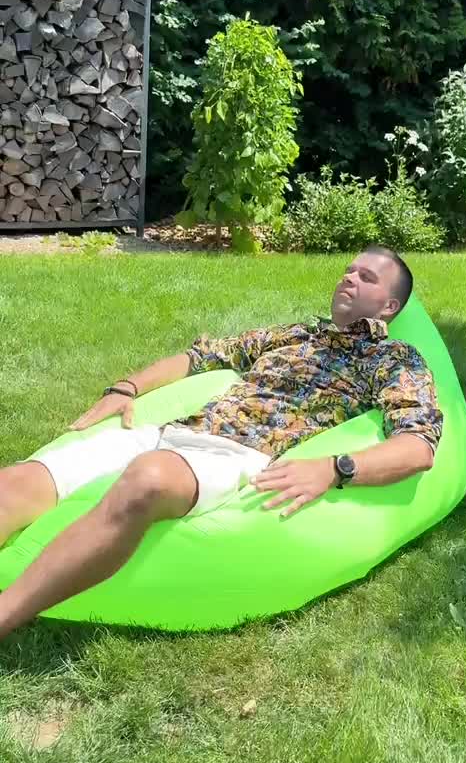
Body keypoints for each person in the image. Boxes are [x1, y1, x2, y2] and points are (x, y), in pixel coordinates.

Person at [0, 245, 442, 638]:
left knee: (149, 479)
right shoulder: (294, 334)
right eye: (349, 270)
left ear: (389, 306)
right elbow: (200, 357)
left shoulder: (393, 359)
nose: (349, 277)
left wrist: (335, 468)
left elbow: (419, 444)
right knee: (14, 483)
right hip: (175, 430)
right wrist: (126, 388)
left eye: (366, 277)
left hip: (238, 454)